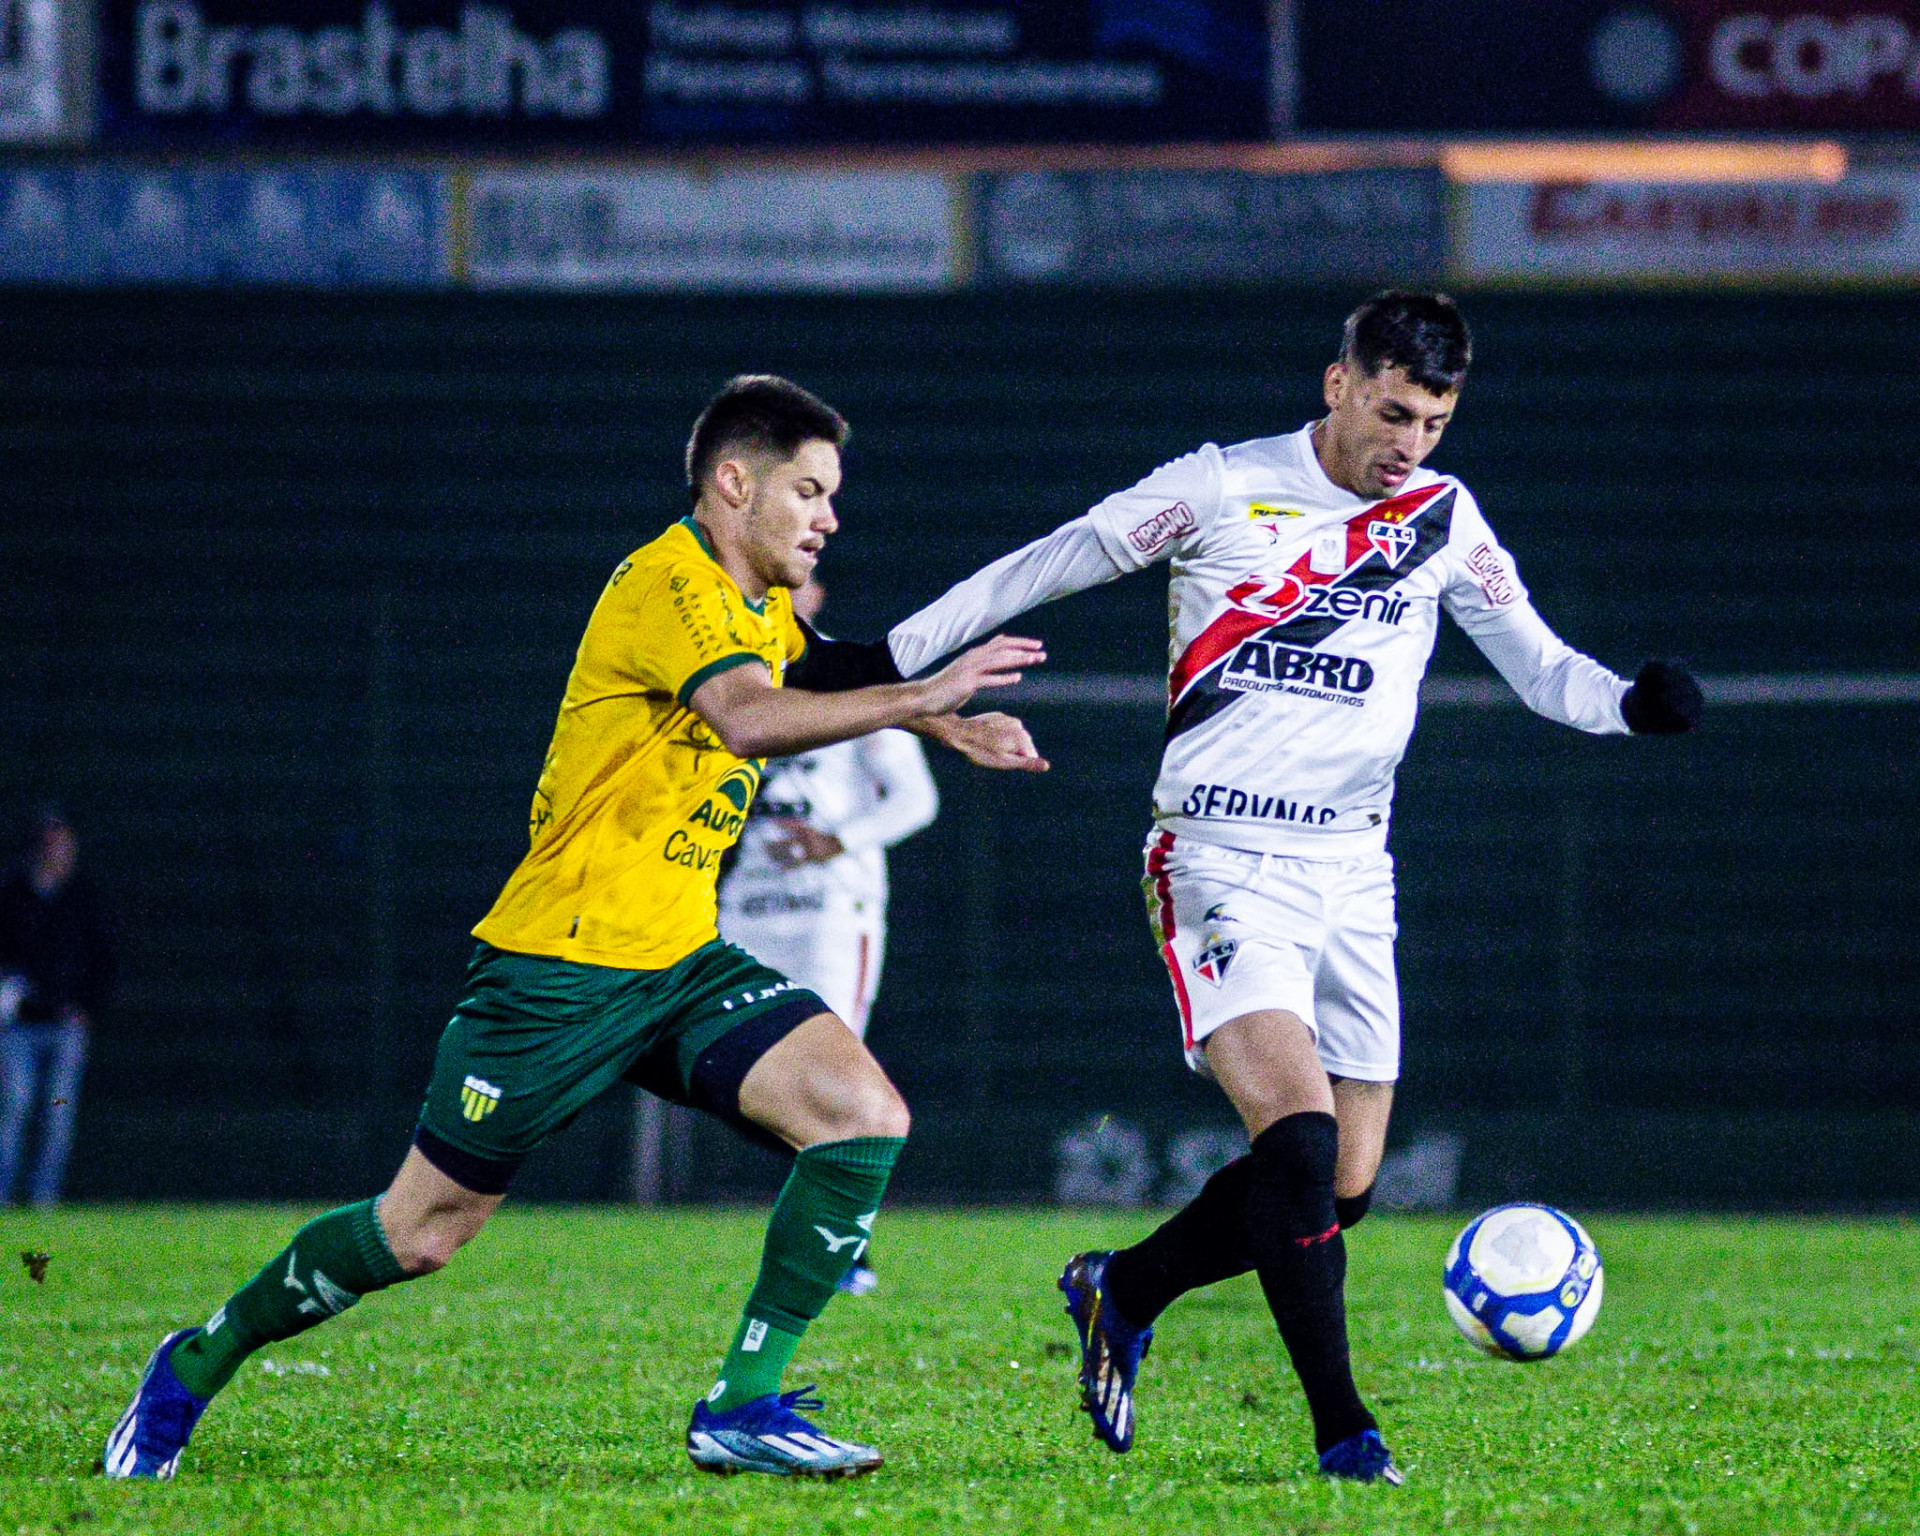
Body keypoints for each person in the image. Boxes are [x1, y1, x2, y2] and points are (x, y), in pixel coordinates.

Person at [105, 374, 1047, 1482]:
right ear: (732, 484)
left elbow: (822, 668)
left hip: (678, 961)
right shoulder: (671, 585)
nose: (829, 516)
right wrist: (923, 694)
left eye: (833, 494)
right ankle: (194, 1363)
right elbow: (748, 719)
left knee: (862, 1115)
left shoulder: (754, 605)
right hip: (557, 968)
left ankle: (741, 1406)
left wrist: (938, 718)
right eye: (809, 490)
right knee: (420, 1233)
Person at [880, 293, 1703, 1483]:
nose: (1407, 444)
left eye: (1432, 421)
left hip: (1354, 874)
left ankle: (1127, 1287)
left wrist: (1630, 705)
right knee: (1302, 1144)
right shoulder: (1223, 488)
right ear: (1337, 384)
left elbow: (1538, 666)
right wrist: (902, 659)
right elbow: (1054, 558)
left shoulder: (1442, 516)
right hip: (1218, 857)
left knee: (1343, 1186)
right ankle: (1343, 1433)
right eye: (1390, 413)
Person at [719, 578, 941, 1295]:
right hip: (741, 910)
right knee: (737, 1073)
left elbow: (915, 799)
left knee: (833, 1073)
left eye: (805, 580)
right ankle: (827, 1222)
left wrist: (838, 840)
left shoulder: (846, 684)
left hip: (829, 912)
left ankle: (848, 1243)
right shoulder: (724, 680)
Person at [0, 805, 114, 1208]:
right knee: (14, 1107)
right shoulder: (12, 893)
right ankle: (3, 1193)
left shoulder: (82, 896)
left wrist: (86, 1004)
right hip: (19, 1025)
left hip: (65, 1026)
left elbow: (103, 956)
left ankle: (42, 1196)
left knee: (57, 1113)